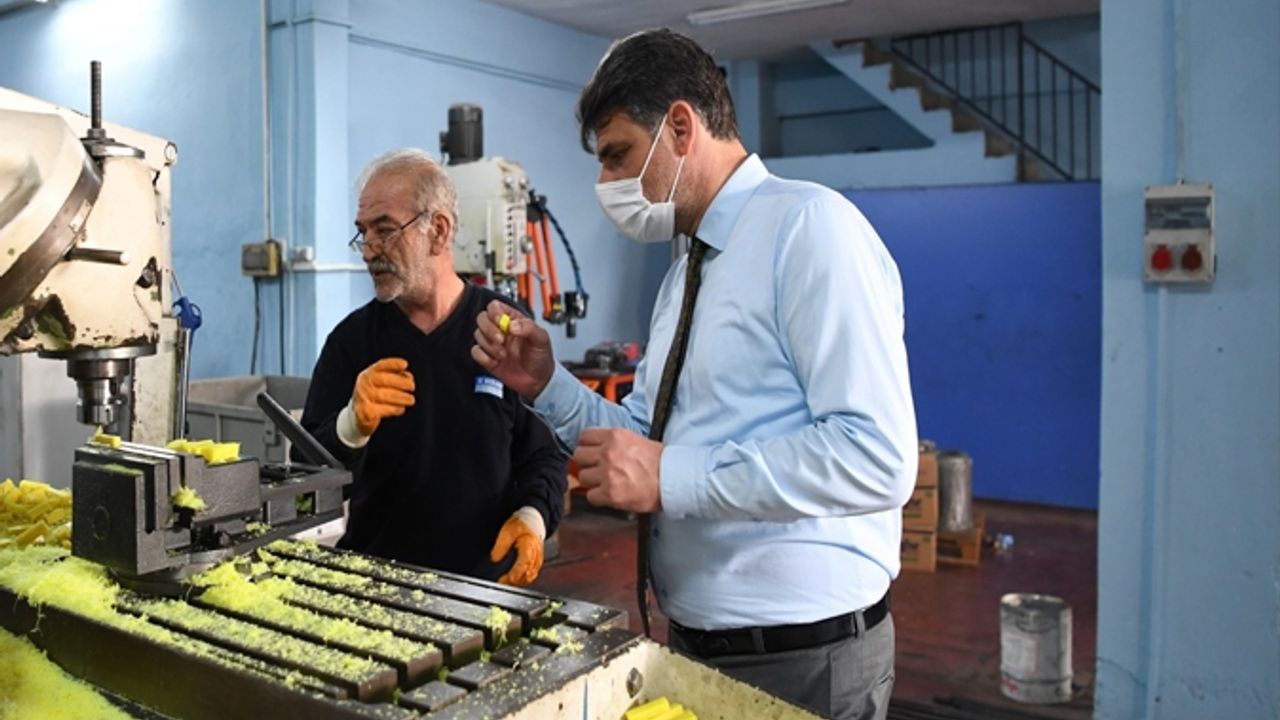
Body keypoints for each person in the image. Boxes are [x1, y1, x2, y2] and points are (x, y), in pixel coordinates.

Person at [472, 29, 916, 720]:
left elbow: (876, 456)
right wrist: (546, 382)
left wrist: (671, 476)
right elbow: (643, 438)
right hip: (698, 645)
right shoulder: (687, 272)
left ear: (680, 127)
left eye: (618, 154)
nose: (606, 185)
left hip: (804, 658)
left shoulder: (810, 230)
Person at [300, 148, 567, 586]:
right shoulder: (352, 342)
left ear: (438, 231)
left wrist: (532, 517)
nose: (368, 251)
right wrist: (350, 427)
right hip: (375, 586)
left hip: (484, 590)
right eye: (363, 233)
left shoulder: (504, 328)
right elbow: (305, 486)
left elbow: (544, 453)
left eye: (385, 230)